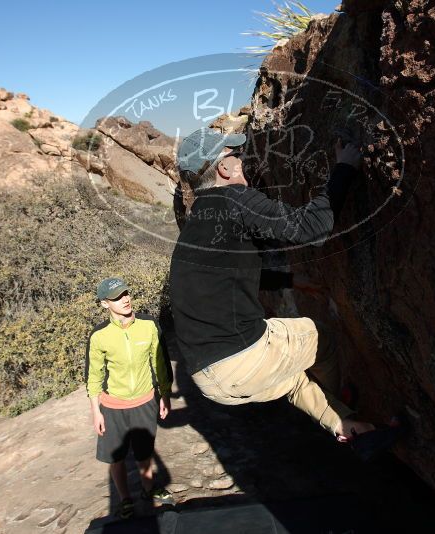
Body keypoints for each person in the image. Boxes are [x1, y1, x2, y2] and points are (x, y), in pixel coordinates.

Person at [169, 128, 400, 459]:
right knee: (320, 337)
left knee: (292, 381)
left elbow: (230, 277)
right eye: (236, 157)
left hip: (210, 382)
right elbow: (311, 227)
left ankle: (348, 426)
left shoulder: (194, 225)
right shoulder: (232, 199)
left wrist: (292, 281)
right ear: (223, 168)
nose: (241, 162)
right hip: (243, 358)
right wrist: (345, 166)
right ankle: (339, 401)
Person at [85, 277, 174, 519]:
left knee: (144, 453)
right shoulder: (99, 336)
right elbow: (93, 375)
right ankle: (125, 499)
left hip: (145, 401)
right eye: (116, 297)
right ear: (105, 304)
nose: (125, 299)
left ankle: (149, 489)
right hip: (113, 405)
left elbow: (161, 363)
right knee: (117, 457)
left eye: (126, 293)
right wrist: (96, 411)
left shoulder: (148, 325)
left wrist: (165, 395)